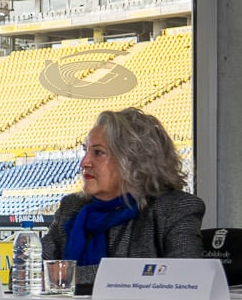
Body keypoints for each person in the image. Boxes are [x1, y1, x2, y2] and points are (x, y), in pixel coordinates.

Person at [40, 106, 205, 273]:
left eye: (98, 152)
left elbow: (185, 276)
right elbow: (33, 272)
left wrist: (68, 275)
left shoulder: (175, 208)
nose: (84, 162)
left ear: (134, 161)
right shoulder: (72, 207)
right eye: (85, 151)